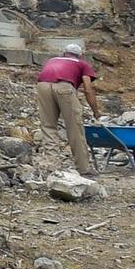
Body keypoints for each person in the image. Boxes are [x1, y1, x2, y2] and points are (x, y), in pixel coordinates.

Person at [35, 42, 104, 174]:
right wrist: (96, 112)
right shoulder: (82, 64)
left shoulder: (53, 60)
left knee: (48, 126)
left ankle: (51, 165)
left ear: (64, 53)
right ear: (80, 55)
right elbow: (88, 90)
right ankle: (83, 168)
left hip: (42, 86)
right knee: (75, 127)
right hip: (64, 87)